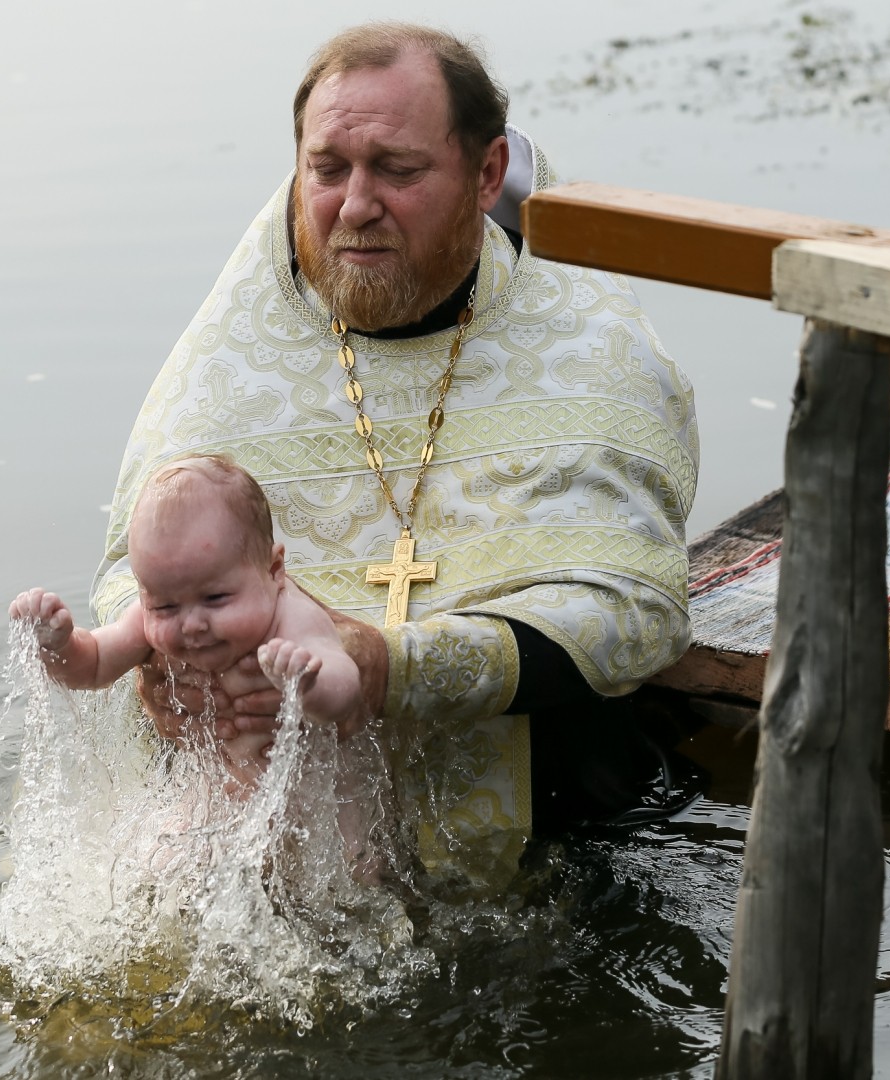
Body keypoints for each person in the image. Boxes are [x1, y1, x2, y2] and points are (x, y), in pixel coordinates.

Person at [92, 22, 698, 880]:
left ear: (487, 175)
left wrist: (389, 665)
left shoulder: (589, 349)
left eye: (399, 171)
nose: (355, 205)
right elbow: (129, 565)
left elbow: (630, 611)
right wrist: (159, 655)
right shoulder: (231, 356)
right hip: (271, 803)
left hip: (556, 815)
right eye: (327, 170)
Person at [12, 455, 364, 794]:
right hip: (213, 803)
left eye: (215, 599)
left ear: (274, 571)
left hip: (314, 808)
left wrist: (307, 684)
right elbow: (93, 667)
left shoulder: (291, 618)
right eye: (164, 605)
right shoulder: (148, 619)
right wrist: (58, 646)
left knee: (359, 853)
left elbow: (347, 687)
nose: (191, 624)